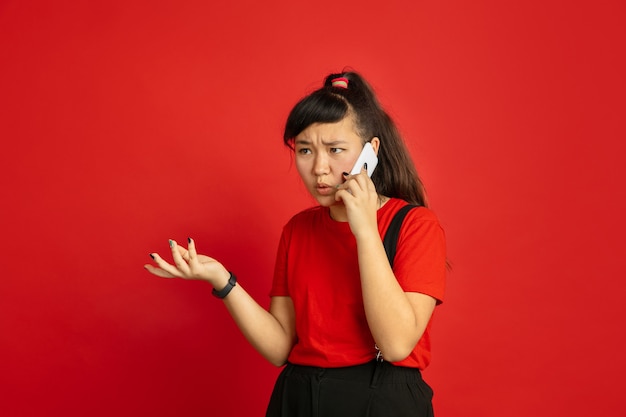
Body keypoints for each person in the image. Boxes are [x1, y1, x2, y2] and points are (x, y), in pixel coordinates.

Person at [145, 71, 447, 417]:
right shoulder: (298, 230)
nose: (319, 168)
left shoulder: (415, 225)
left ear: (370, 151)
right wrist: (223, 282)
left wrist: (364, 229)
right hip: (300, 398)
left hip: (379, 400)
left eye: (335, 150)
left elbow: (395, 345)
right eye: (305, 150)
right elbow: (279, 347)